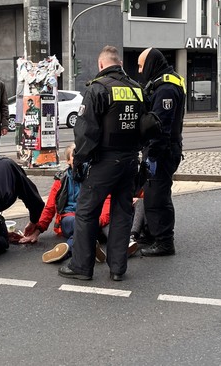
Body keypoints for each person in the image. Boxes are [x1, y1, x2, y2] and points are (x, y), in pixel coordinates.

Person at [58, 45, 145, 282]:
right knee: (122, 213)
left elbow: (87, 132)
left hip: (105, 161)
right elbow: (145, 126)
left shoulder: (98, 89)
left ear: (100, 65)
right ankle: (118, 269)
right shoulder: (137, 89)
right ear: (119, 63)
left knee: (86, 212)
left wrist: (79, 163)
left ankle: (81, 267)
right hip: (129, 162)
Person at [20, 144, 110, 264]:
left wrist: (100, 220)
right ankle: (90, 244)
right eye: (75, 155)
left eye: (83, 156)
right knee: (80, 224)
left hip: (93, 219)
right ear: (68, 161)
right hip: (69, 219)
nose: (80, 159)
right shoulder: (61, 180)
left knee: (85, 226)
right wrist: (37, 231)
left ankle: (66, 251)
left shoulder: (95, 177)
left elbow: (107, 201)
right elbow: (50, 207)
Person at [137, 47, 186, 257]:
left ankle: (165, 242)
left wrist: (153, 155)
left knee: (158, 195)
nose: (139, 71)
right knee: (151, 193)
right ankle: (150, 234)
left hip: (163, 150)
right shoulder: (162, 83)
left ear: (150, 64)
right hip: (162, 149)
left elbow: (160, 126)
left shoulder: (166, 88)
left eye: (141, 66)